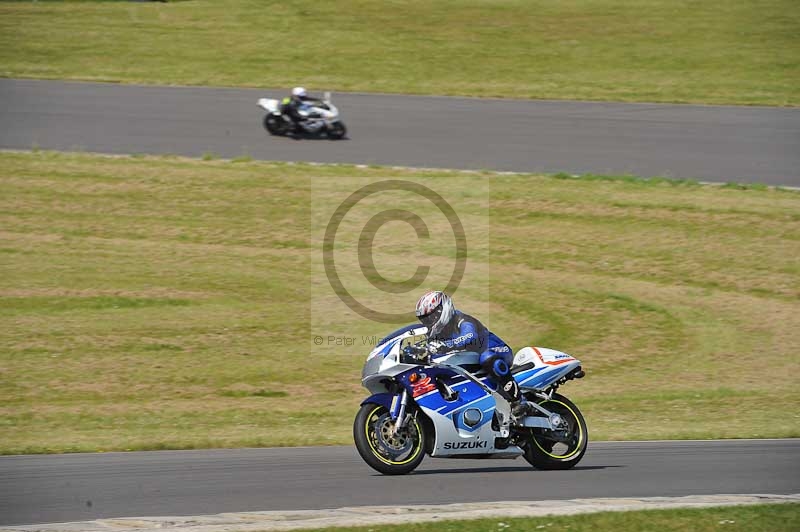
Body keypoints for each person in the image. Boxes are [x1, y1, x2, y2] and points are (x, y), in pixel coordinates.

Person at [414, 290, 531, 418]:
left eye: (431, 317)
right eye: (424, 319)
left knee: (487, 358)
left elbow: (469, 335)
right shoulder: (437, 332)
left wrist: (446, 346)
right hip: (472, 360)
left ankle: (519, 400)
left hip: (497, 351)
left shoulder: (461, 319)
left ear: (442, 310)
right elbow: (428, 346)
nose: (428, 322)